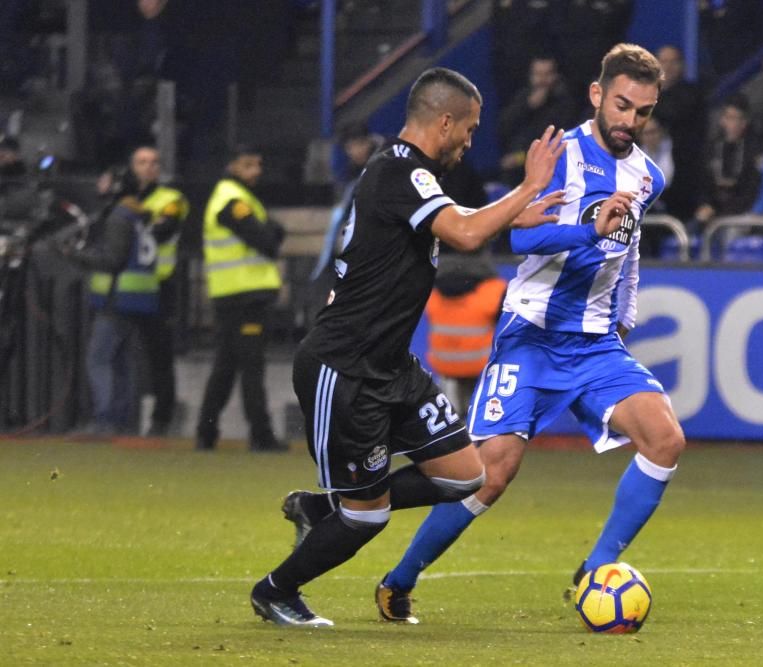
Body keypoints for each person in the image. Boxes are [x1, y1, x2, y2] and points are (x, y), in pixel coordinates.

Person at [347, 43, 681, 624]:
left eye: (644, 111)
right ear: (597, 95)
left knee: (665, 439)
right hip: (531, 336)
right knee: (491, 474)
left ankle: (595, 568)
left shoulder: (647, 176)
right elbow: (522, 239)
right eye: (622, 105)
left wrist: (625, 312)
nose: (631, 120)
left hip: (596, 343)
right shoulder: (560, 155)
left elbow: (627, 251)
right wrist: (586, 229)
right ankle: (399, 579)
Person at [248, 67, 569, 627]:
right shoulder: (400, 169)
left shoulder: (408, 177)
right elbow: (464, 232)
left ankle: (321, 506)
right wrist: (527, 187)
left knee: (464, 475)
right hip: (345, 369)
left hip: (391, 366)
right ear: (444, 122)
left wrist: (511, 214)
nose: (469, 142)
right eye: (468, 129)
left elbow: (457, 223)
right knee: (367, 517)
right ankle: (275, 590)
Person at [195, 146, 287, 452]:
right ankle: (261, 435)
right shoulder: (232, 200)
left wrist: (271, 230)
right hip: (246, 297)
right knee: (251, 367)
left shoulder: (235, 197)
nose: (256, 171)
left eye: (258, 164)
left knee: (225, 366)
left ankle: (206, 433)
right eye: (248, 165)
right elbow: (268, 240)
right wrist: (271, 230)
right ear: (232, 166)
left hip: (232, 294)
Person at [57, 194, 159, 436]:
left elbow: (113, 259)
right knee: (121, 362)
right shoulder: (139, 220)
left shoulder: (118, 219)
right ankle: (122, 420)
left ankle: (104, 420)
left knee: (98, 359)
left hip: (117, 299)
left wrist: (75, 254)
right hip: (138, 299)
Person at [122, 145, 189, 436]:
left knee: (159, 354)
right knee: (122, 351)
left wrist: (129, 219)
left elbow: (161, 230)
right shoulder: (125, 199)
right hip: (126, 285)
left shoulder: (170, 198)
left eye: (154, 162)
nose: (149, 167)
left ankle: (162, 417)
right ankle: (123, 416)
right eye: (142, 162)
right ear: (132, 167)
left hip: (159, 285)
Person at [425, 252, 507, 417]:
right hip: (482, 368)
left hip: (445, 366)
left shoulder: (431, 288)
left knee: (452, 418)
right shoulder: (495, 290)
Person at [497, 55, 578, 186]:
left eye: (547, 74)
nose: (542, 80)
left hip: (551, 167)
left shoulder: (565, 103)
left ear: (556, 76)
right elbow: (504, 127)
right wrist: (528, 106)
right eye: (538, 74)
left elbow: (558, 142)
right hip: (518, 169)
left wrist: (520, 158)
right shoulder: (523, 98)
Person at [694, 94, 763, 231]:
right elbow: (703, 183)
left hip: (741, 213)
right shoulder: (712, 147)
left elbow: (753, 189)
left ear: (744, 122)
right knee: (689, 230)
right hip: (713, 210)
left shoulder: (755, 150)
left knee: (730, 231)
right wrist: (706, 204)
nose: (729, 123)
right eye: (727, 117)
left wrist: (724, 212)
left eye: (734, 118)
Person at [652, 45, 705, 221]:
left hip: (685, 174)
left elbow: (674, 113)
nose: (668, 66)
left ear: (682, 65)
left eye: (673, 62)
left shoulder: (692, 94)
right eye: (663, 62)